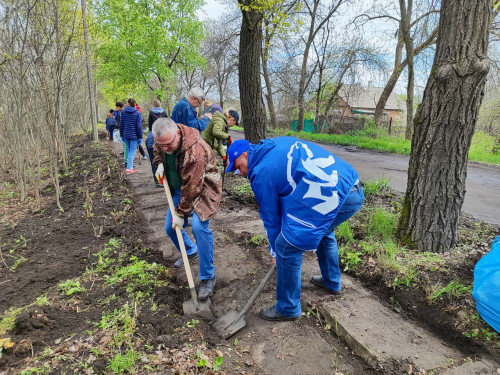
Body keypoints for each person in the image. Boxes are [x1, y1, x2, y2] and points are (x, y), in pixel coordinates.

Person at [226, 137, 364, 321]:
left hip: (335, 194)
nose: (238, 172)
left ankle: (288, 308)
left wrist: (275, 251)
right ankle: (331, 282)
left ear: (244, 154)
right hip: (350, 186)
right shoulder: (274, 146)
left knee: (286, 246)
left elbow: (271, 217)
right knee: (324, 231)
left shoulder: (260, 172)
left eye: (237, 166)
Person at [152, 117, 222, 300]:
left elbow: (192, 188)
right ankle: (190, 250)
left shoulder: (195, 151)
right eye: (162, 145)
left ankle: (208, 277)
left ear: (177, 134)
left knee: (199, 227)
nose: (165, 148)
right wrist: (159, 161)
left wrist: (181, 214)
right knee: (170, 228)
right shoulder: (164, 139)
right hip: (179, 188)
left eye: (168, 144)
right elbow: (157, 148)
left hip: (203, 190)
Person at [146, 99, 168, 187]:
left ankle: (157, 181)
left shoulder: (151, 113)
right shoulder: (164, 113)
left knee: (153, 160)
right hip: (163, 137)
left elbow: (150, 126)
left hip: (152, 138)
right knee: (164, 160)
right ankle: (166, 179)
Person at [119, 98, 143, 174]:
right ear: (135, 104)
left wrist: (121, 134)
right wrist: (140, 137)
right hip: (134, 136)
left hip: (126, 135)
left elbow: (121, 124)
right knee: (132, 152)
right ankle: (129, 169)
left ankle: (130, 168)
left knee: (129, 151)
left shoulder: (123, 112)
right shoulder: (137, 113)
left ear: (128, 103)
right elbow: (139, 127)